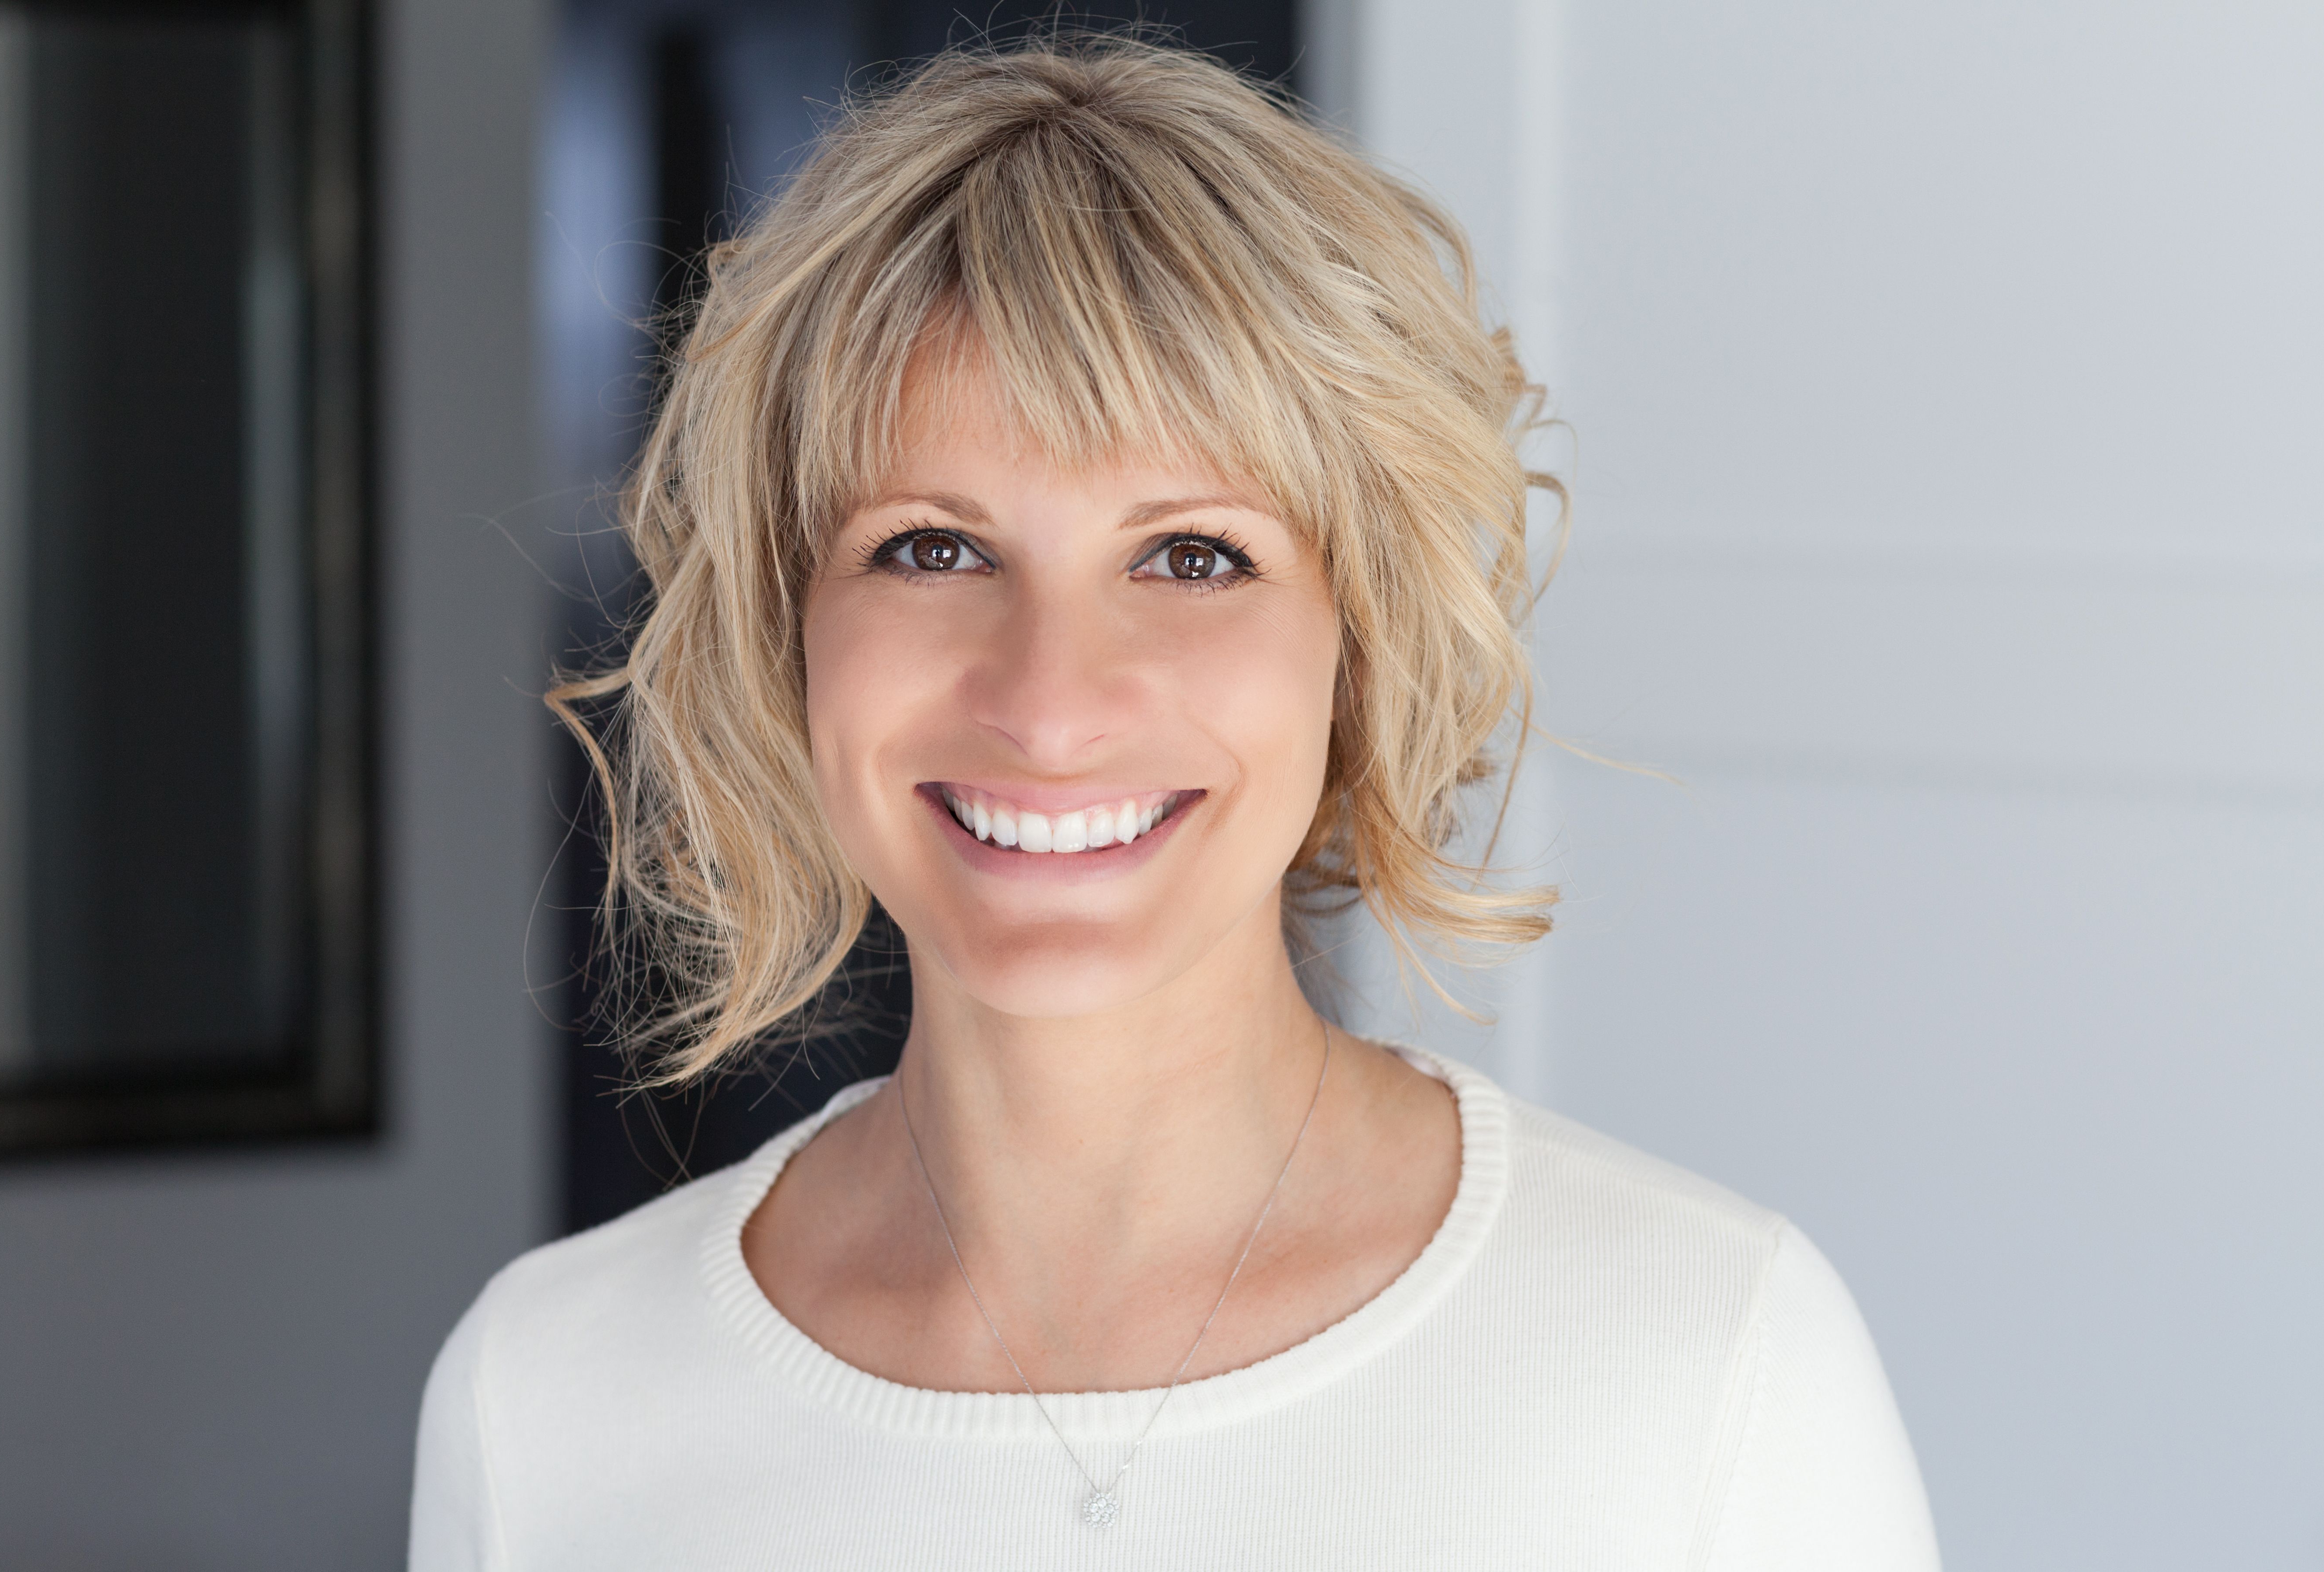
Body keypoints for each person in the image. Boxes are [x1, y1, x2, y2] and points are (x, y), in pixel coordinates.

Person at [409, 35, 1938, 1570]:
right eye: (933, 548)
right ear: (784, 628)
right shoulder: (545, 1392)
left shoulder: (1711, 1359)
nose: (1050, 701)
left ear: (1360, 643)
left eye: (1191, 556)